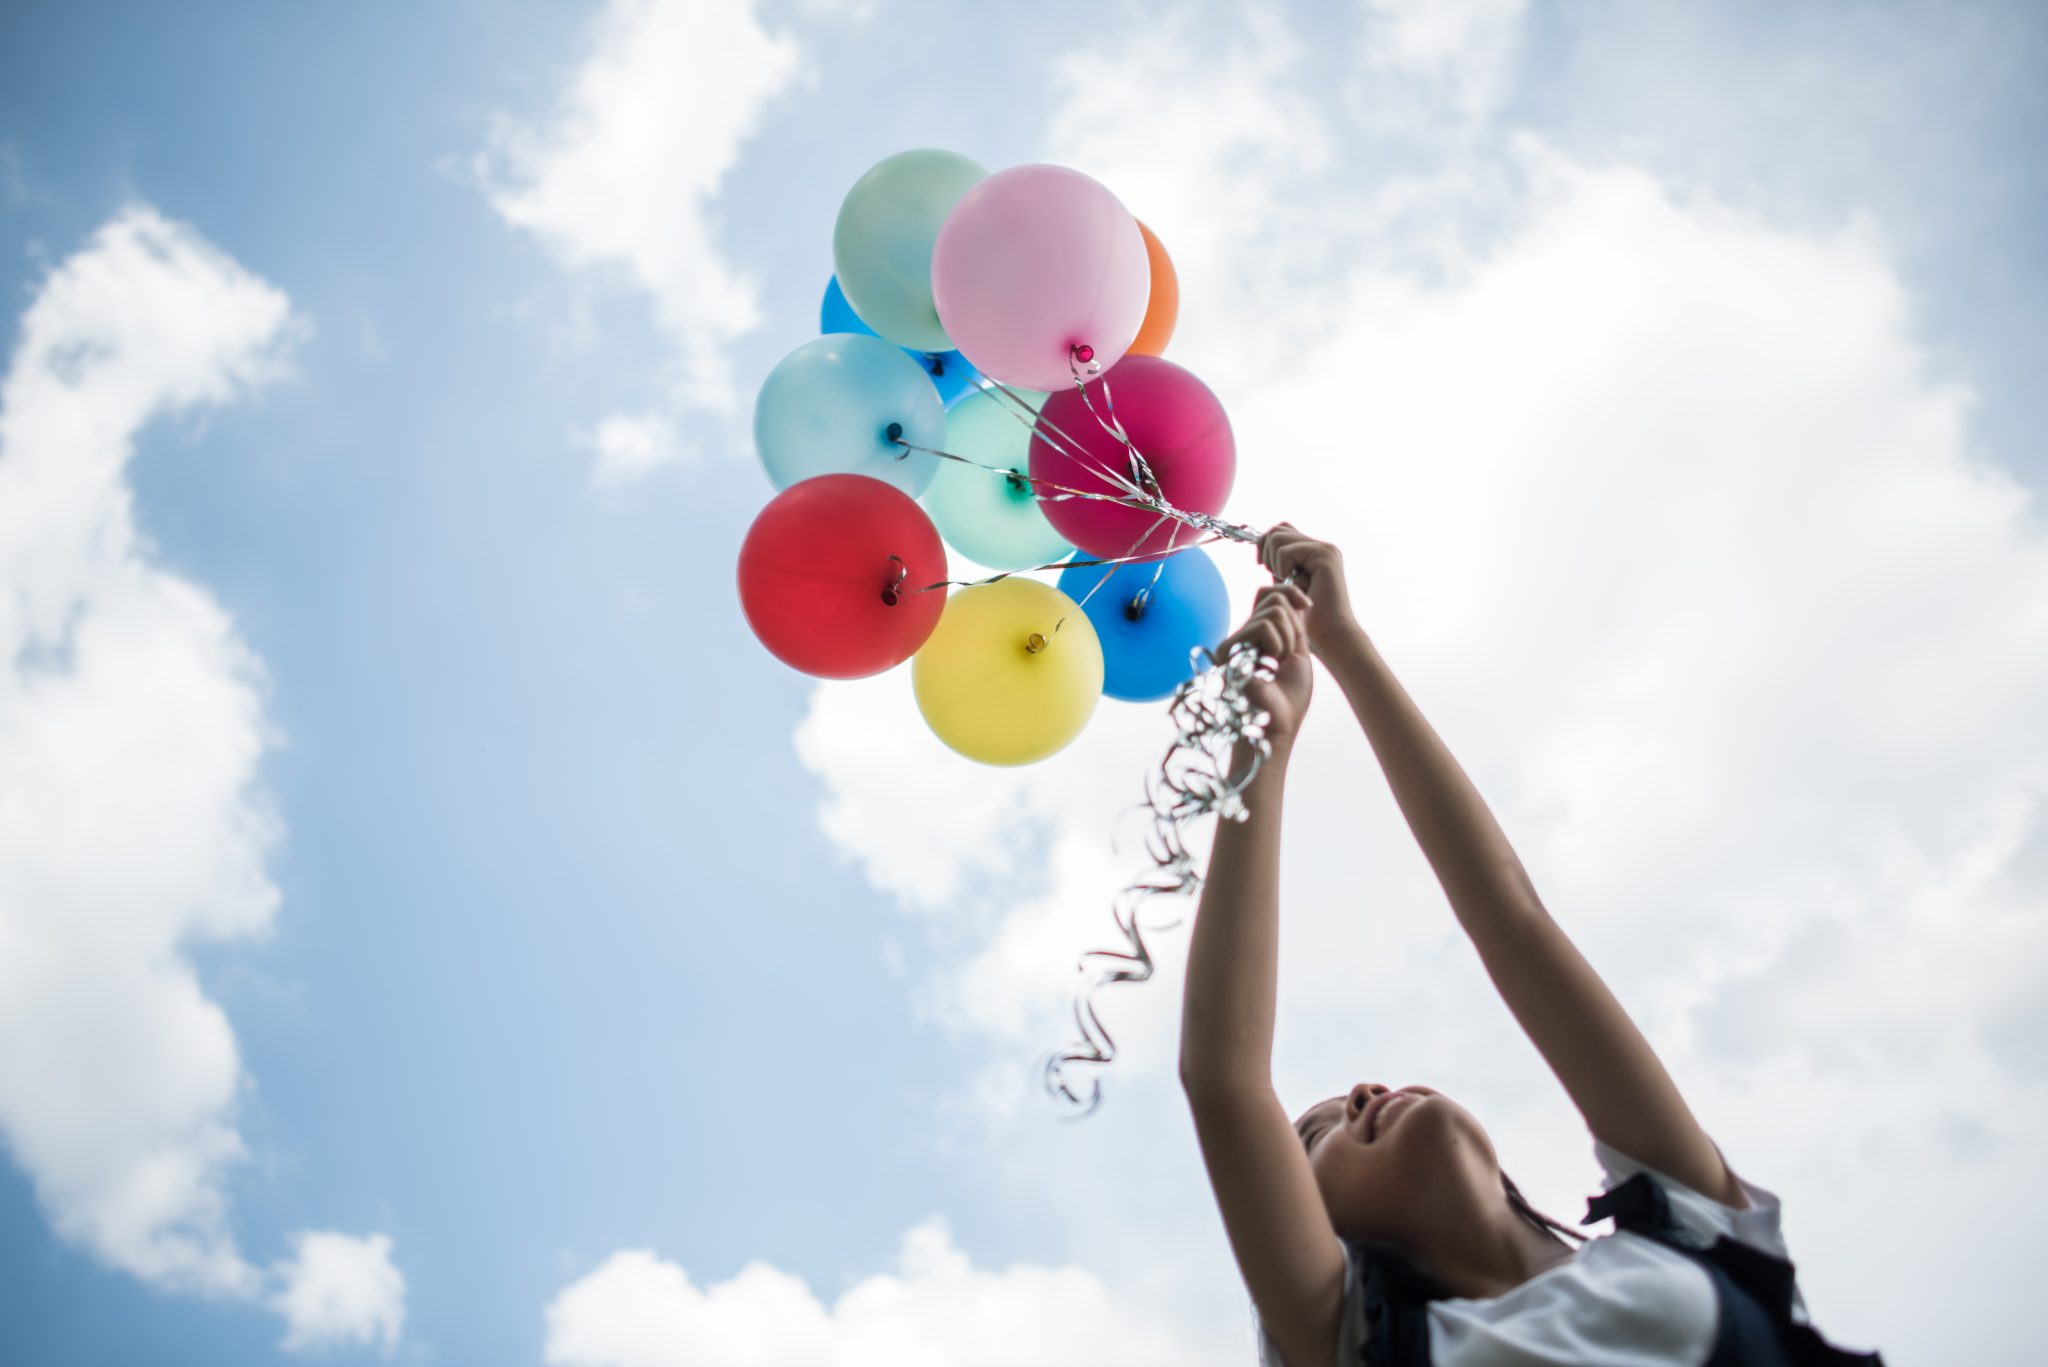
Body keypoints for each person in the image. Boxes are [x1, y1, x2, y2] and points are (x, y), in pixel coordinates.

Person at [1178, 524, 1884, 1367]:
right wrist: (1263, 745)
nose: (1362, 1091)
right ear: (1313, 1226)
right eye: (1316, 1134)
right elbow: (1226, 1079)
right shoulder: (1365, 1347)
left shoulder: (1692, 1232)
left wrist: (1346, 646)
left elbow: (1511, 918)